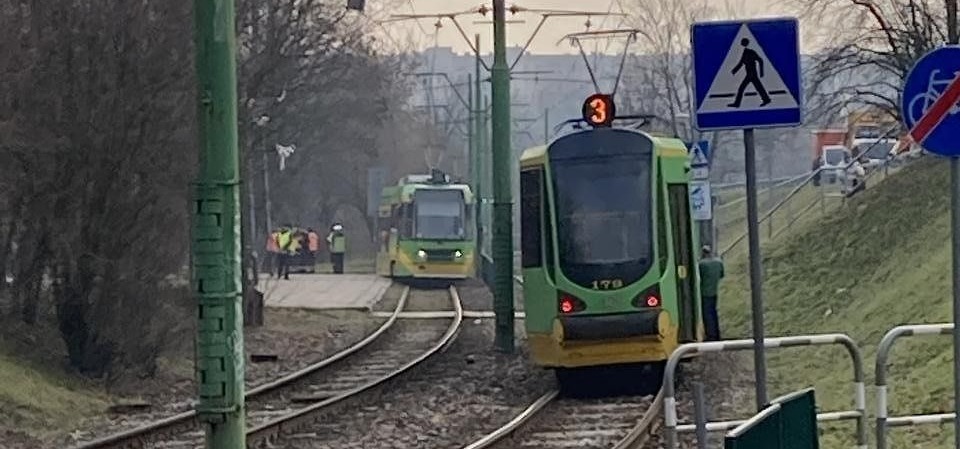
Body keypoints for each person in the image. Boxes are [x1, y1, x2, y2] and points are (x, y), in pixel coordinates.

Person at [698, 245, 724, 341]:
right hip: (714, 291)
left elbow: (698, 276)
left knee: (707, 314)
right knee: (713, 312)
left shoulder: (702, 264)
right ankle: (717, 334)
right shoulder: (718, 262)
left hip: (704, 292)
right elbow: (722, 275)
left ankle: (711, 335)